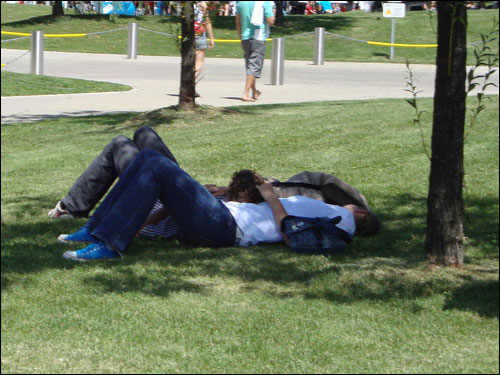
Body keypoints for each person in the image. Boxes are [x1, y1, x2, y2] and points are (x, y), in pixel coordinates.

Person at [59, 149, 379, 262]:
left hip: (227, 228)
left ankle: (111, 244)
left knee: (156, 165)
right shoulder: (336, 217)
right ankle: (95, 229)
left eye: (357, 207)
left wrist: (270, 197)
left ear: (361, 214)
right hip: (225, 217)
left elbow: (294, 238)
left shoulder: (343, 226)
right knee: (148, 158)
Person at [235, 1, 275, 102]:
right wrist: (273, 14)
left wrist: (240, 37)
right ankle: (245, 93)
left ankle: (254, 91)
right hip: (258, 36)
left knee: (249, 65)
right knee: (254, 65)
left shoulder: (241, 3)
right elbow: (271, 21)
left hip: (245, 36)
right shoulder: (264, 2)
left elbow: (237, 21)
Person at [194, 1, 215, 97]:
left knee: (190, 63)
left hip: (189, 34)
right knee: (198, 63)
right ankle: (189, 85)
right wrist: (211, 38)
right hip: (199, 34)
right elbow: (206, 21)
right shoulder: (203, 4)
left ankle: (189, 86)